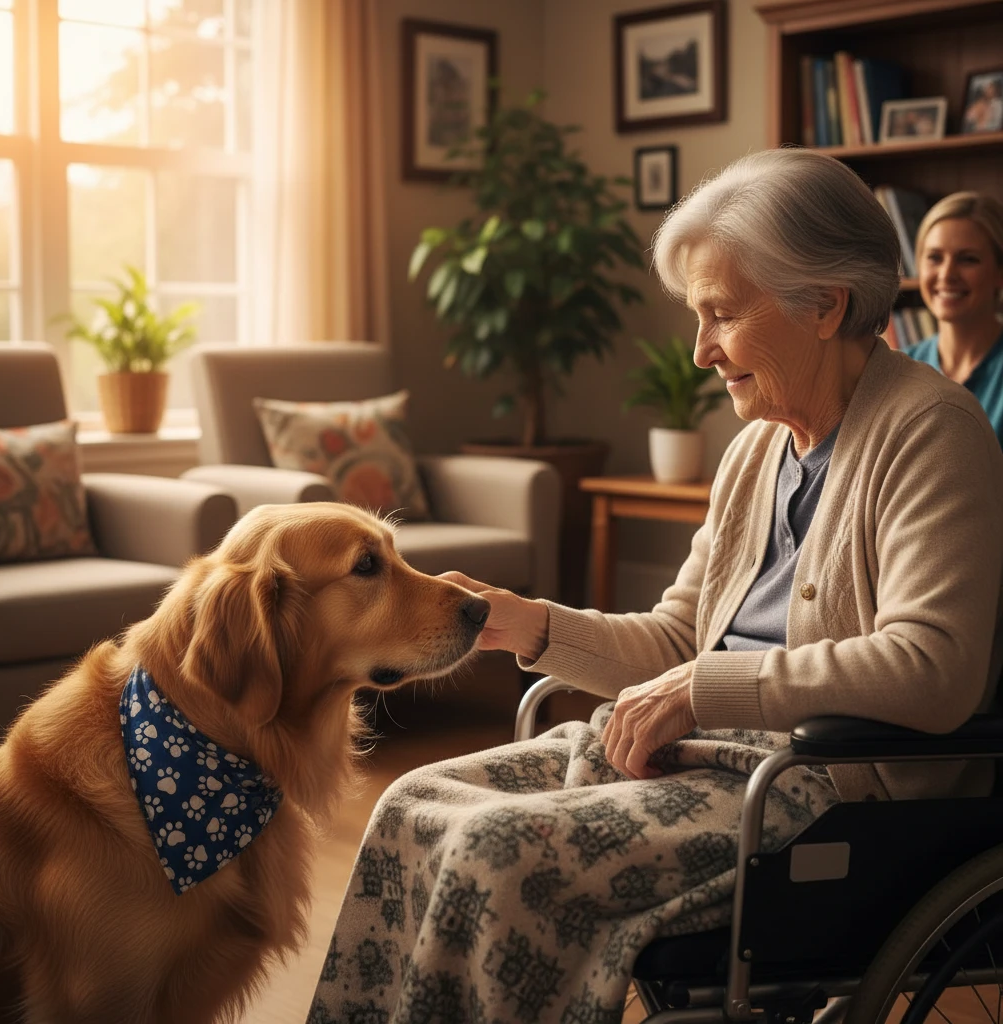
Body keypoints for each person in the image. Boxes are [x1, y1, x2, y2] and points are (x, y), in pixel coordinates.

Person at [308, 149, 1003, 1024]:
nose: (703, 348)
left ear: (825, 306)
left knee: (496, 853)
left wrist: (700, 690)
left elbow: (932, 669)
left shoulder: (933, 432)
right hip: (697, 760)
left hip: (815, 793)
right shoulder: (757, 449)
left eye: (721, 314)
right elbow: (682, 638)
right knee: (413, 805)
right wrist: (531, 627)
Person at [905, 191, 1003, 447]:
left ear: (999, 272)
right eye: (935, 258)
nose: (947, 274)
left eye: (967, 259)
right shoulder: (900, 369)